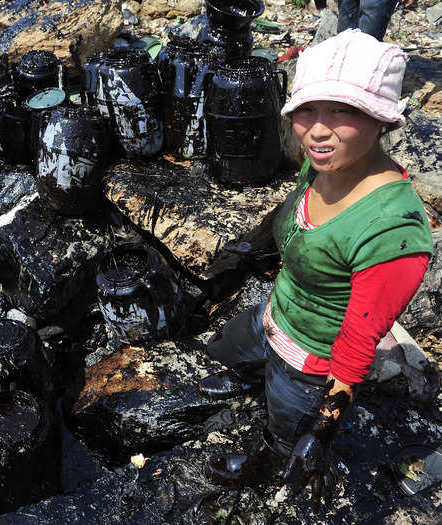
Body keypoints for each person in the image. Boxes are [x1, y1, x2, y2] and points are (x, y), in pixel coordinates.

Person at [199, 29, 433, 511]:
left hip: (312, 360)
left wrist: (323, 429)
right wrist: (251, 248)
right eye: (307, 110)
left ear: (381, 118)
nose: (318, 131)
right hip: (274, 313)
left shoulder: (393, 232)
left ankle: (270, 461)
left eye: (343, 111)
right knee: (221, 354)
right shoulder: (327, 163)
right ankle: (251, 378)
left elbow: (357, 340)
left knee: (287, 438)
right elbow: (291, 208)